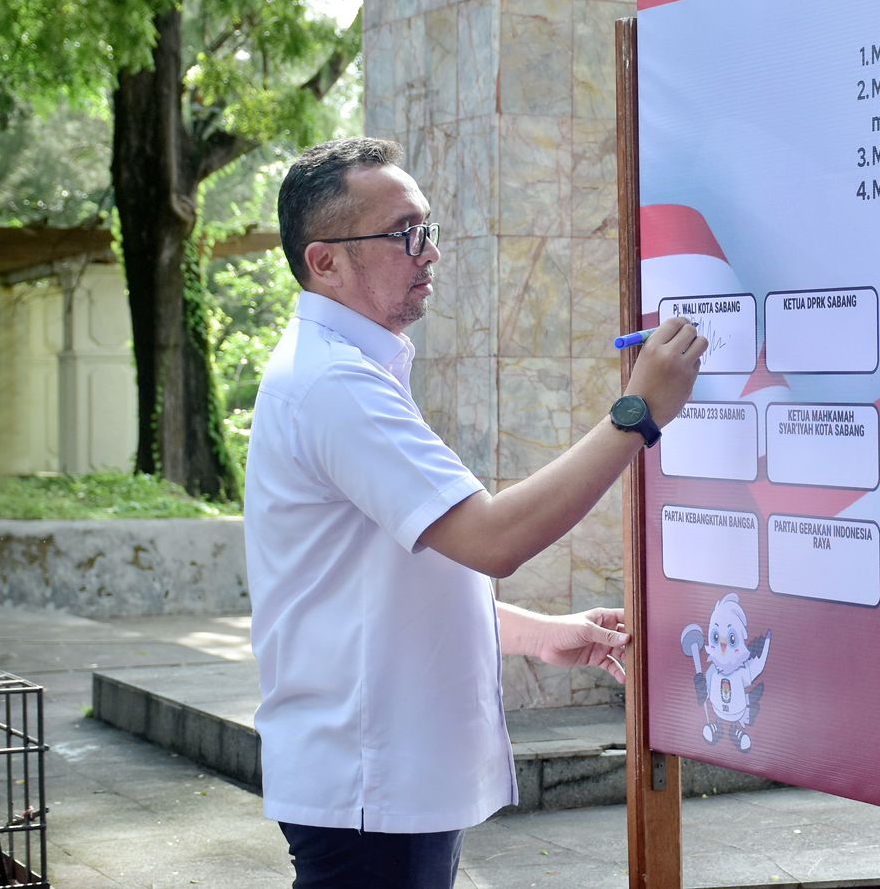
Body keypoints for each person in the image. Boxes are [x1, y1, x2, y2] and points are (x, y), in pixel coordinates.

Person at [244, 136, 705, 887]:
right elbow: (492, 537)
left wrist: (538, 634)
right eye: (404, 234)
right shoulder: (333, 385)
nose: (429, 252)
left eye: (427, 228)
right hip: (370, 790)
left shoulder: (347, 371)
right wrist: (639, 411)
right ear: (324, 262)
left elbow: (391, 586)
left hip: (383, 784)